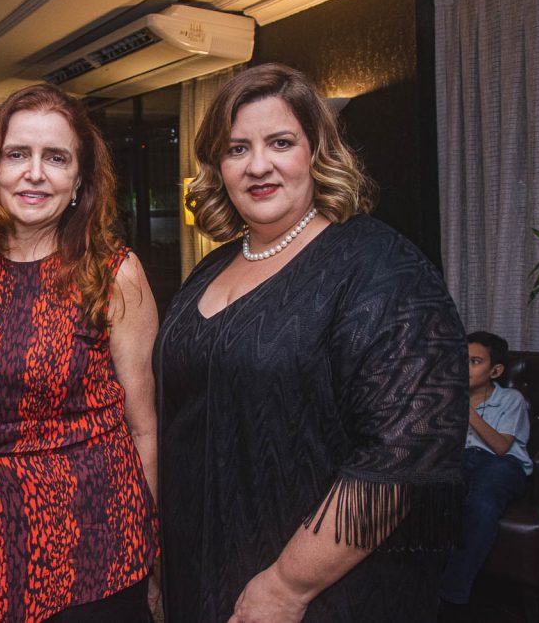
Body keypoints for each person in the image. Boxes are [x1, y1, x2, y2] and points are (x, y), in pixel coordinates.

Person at [157, 63, 468, 622]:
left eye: (280, 142)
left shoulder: (378, 265)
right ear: (218, 167)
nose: (258, 165)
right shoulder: (208, 271)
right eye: (236, 149)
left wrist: (285, 586)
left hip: (319, 590)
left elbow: (405, 451)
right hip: (201, 569)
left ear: (316, 151)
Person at [0, 83, 159, 622]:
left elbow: (144, 428)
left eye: (56, 158)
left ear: (79, 182)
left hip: (98, 543)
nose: (35, 173)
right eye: (17, 154)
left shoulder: (114, 273)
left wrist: (155, 550)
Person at [439, 331, 532, 605]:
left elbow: (501, 446)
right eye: (461, 360)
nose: (465, 368)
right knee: (429, 494)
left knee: (482, 503)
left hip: (502, 464)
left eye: (475, 361)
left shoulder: (510, 399)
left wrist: (465, 408)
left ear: (496, 370)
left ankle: (449, 594)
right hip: (460, 459)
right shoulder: (446, 396)